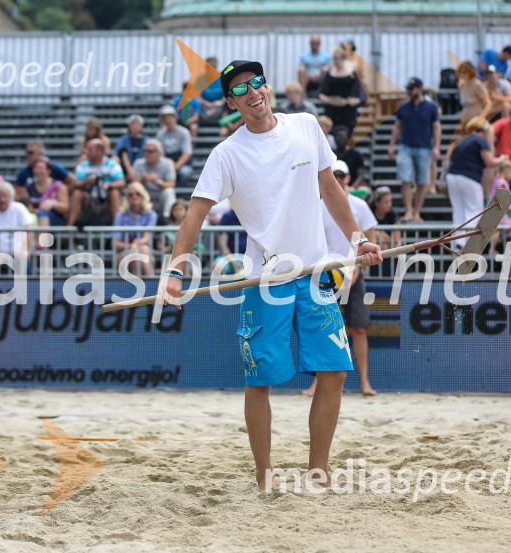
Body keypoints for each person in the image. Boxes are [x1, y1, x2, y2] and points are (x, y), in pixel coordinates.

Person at [159, 59, 382, 490]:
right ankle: (264, 475)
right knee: (260, 380)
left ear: (268, 86)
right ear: (231, 102)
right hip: (264, 281)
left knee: (334, 372)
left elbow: (331, 191)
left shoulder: (305, 126)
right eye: (241, 89)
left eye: (258, 82)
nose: (253, 92)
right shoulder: (227, 154)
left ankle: (319, 468)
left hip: (316, 275)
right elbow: (194, 216)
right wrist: (174, 271)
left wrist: (357, 241)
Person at [303, 160, 379, 398]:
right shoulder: (315, 206)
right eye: (333, 175)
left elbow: (371, 238)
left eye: (342, 176)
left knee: (358, 329)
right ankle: (318, 384)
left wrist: (353, 274)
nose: (337, 179)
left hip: (353, 272)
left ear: (348, 178)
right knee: (324, 331)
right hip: (326, 273)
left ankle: (364, 383)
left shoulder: (359, 205)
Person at [445, 117, 509, 250]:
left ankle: (456, 242)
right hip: (470, 178)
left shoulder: (461, 141)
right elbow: (489, 162)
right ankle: (467, 242)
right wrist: (502, 159)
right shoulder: (480, 140)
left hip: (452, 177)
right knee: (474, 211)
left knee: (458, 211)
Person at [389, 77, 441, 222]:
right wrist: (392, 145)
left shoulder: (431, 107)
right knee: (405, 179)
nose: (410, 92)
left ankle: (417, 212)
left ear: (419, 88)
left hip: (424, 147)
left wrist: (436, 147)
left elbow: (436, 128)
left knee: (423, 182)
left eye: (412, 89)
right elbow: (397, 126)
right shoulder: (404, 107)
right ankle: (409, 211)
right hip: (405, 146)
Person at [68, 138, 125, 227]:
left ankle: (117, 230)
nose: (86, 152)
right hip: (88, 198)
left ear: (100, 151)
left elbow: (121, 183)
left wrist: (109, 185)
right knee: (77, 193)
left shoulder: (112, 165)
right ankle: (70, 227)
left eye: (89, 150)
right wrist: (86, 181)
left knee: (115, 193)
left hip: (106, 198)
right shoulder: (83, 165)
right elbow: (75, 184)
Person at [319, 48, 366, 136]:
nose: (335, 61)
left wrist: (357, 100)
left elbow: (359, 91)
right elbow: (322, 90)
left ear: (343, 59)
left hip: (347, 108)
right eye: (334, 58)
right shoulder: (330, 73)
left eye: (337, 58)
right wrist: (323, 97)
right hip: (332, 107)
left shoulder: (351, 73)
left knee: (347, 131)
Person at [114, 181, 158, 277]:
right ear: (127, 198)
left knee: (143, 249)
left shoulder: (151, 215)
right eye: (130, 194)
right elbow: (115, 243)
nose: (134, 196)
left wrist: (135, 244)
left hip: (145, 251)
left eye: (138, 193)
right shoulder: (120, 215)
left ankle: (150, 282)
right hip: (124, 251)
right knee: (135, 253)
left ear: (143, 195)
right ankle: (143, 284)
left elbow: (147, 237)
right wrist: (131, 246)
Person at [131, 138, 177, 220]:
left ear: (159, 153)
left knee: (169, 192)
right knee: (134, 193)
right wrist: (142, 179)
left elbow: (171, 184)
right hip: (144, 197)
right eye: (145, 151)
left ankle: (169, 219)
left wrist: (158, 182)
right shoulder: (139, 163)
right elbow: (133, 184)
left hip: (160, 198)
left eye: (150, 151)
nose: (147, 154)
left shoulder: (168, 163)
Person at [17, 157, 69, 227]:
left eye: (40, 168)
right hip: (35, 217)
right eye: (35, 168)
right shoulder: (29, 187)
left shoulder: (58, 186)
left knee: (42, 213)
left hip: (56, 220)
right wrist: (31, 209)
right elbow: (26, 204)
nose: (37, 171)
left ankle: (43, 238)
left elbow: (65, 207)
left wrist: (54, 203)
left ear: (48, 171)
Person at [156, 105, 194, 189]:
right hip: (166, 162)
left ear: (175, 118)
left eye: (170, 117)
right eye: (165, 118)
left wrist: (176, 167)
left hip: (182, 163)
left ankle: (178, 192)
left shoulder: (184, 132)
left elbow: (187, 153)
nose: (168, 120)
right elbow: (159, 153)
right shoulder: (160, 134)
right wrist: (169, 165)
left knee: (185, 172)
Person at [489, 159, 511, 253]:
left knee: (508, 230)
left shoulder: (496, 180)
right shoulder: (502, 182)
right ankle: (492, 249)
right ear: (506, 171)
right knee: (498, 230)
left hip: (499, 210)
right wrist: (507, 207)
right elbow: (501, 195)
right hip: (502, 211)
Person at [456, 61, 491, 128]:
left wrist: (480, 118)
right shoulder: (463, 85)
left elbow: (488, 104)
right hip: (465, 121)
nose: (462, 75)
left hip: (475, 122)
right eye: (461, 72)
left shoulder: (477, 85)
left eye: (465, 72)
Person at [333, 125, 366, 190]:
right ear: (334, 138)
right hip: (332, 187)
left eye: (342, 137)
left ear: (347, 139)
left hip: (352, 188)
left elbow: (361, 174)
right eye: (338, 136)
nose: (340, 139)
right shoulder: (330, 154)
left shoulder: (356, 155)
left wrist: (352, 188)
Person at [114, 114, 147, 181]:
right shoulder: (124, 140)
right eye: (133, 124)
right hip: (126, 170)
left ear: (141, 126)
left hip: (143, 170)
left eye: (137, 125)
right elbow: (123, 154)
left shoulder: (147, 140)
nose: (135, 127)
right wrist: (130, 171)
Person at [199, 57, 226, 125]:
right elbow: (198, 97)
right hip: (205, 106)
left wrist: (220, 102)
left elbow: (228, 94)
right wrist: (209, 104)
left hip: (220, 106)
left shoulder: (222, 77)